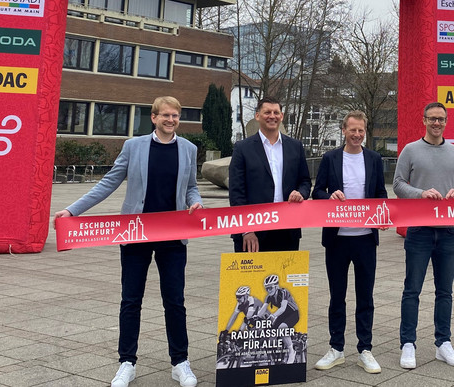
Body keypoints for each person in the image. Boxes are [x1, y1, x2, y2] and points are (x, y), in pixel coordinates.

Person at [53, 96, 204, 387]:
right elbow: (109, 182)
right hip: (135, 233)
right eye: (165, 115)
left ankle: (180, 362)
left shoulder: (188, 149)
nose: (170, 120)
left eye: (175, 116)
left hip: (173, 237)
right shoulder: (134, 147)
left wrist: (195, 202)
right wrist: (72, 210)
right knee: (131, 300)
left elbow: (191, 188)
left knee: (175, 301)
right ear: (154, 117)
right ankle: (127, 362)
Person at [311, 111, 387, 374]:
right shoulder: (331, 158)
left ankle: (365, 349)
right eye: (352, 130)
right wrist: (329, 195)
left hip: (365, 238)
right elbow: (316, 192)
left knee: (365, 296)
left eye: (361, 131)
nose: (357, 135)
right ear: (343, 130)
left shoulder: (374, 159)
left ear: (365, 131)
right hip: (337, 239)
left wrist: (384, 216)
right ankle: (336, 348)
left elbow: (381, 196)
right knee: (337, 296)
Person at [392, 102, 454, 369]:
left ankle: (443, 343)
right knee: (412, 289)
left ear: (447, 121)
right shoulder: (410, 150)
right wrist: (421, 194)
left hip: (448, 231)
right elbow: (398, 184)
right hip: (419, 230)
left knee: (445, 291)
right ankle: (408, 343)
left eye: (441, 119)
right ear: (424, 120)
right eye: (432, 119)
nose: (437, 123)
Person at [228, 96, 311, 252]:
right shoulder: (242, 148)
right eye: (267, 112)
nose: (272, 116)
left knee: (285, 277)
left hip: (287, 230)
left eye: (276, 112)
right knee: (250, 277)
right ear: (257, 116)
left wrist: (301, 193)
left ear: (282, 116)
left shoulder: (295, 146)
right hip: (253, 233)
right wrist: (246, 229)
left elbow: (305, 181)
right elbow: (237, 192)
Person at [259, 274, 300, 364]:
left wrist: (273, 315)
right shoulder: (268, 297)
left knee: (281, 328)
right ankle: (277, 357)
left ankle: (291, 351)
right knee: (271, 334)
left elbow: (283, 308)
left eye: (270, 288)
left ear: (276, 286)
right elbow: (262, 309)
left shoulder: (284, 292)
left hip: (293, 313)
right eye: (267, 288)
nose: (268, 290)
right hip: (282, 315)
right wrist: (255, 317)